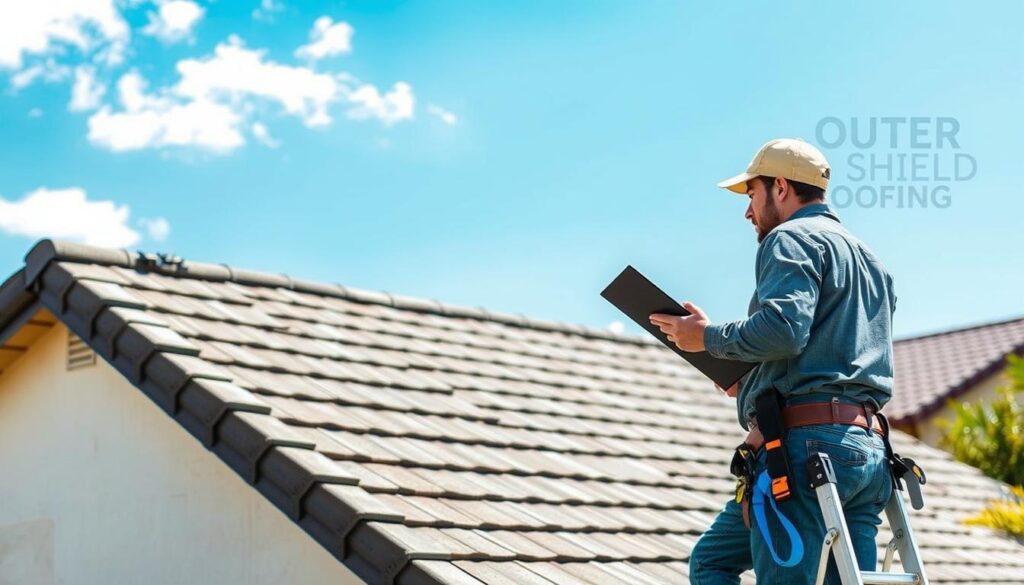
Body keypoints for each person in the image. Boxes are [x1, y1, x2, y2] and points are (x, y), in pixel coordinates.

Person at [648, 138, 897, 584]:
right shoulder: (871, 261)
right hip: (867, 457)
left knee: (711, 566)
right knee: (713, 560)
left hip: (808, 454)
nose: (748, 212)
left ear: (779, 187)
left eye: (751, 195)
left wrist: (705, 338)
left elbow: (784, 329)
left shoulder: (790, 239)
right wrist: (747, 381)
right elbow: (824, 357)